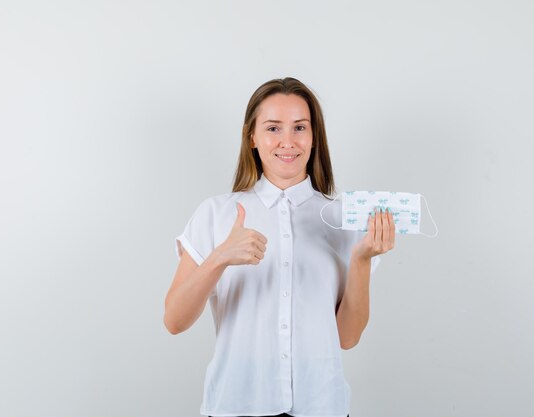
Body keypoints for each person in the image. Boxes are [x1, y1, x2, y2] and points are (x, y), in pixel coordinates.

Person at [163, 77, 395, 417]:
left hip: (322, 407)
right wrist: (220, 258)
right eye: (273, 128)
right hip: (235, 405)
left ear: (314, 138)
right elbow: (174, 321)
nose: (288, 141)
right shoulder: (216, 213)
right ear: (252, 137)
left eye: (300, 127)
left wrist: (360, 259)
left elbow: (347, 338)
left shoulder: (345, 219)